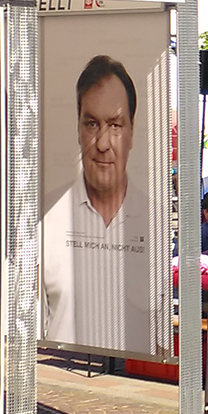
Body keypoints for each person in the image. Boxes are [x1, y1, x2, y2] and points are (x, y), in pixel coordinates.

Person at [43, 55, 153, 354]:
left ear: (132, 132)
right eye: (92, 124)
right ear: (78, 130)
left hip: (133, 386)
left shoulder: (153, 220)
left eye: (115, 125)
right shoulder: (44, 217)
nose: (102, 143)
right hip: (57, 379)